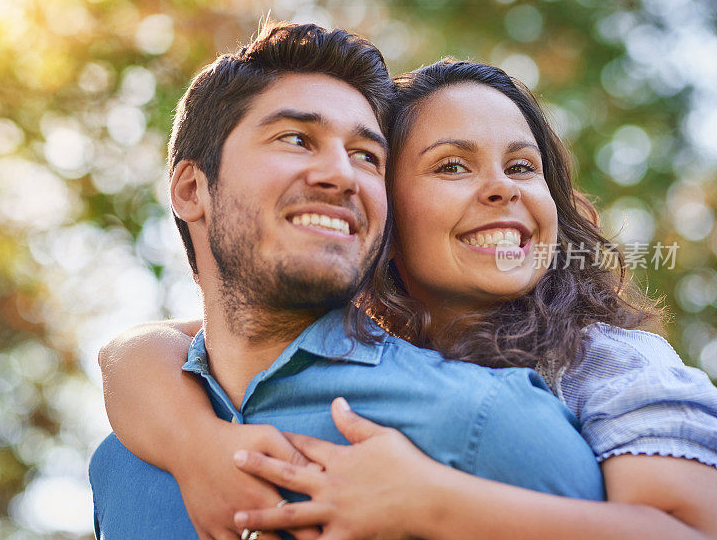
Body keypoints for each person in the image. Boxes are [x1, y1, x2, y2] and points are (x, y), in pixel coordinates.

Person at [96, 51, 717, 539]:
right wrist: (198, 446)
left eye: (523, 167)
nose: (502, 188)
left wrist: (429, 501)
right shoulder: (361, 354)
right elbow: (144, 350)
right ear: (387, 216)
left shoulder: (605, 362)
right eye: (452, 166)